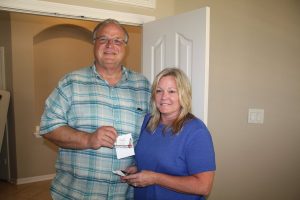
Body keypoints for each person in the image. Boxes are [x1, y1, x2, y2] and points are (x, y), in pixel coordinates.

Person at [39, 19, 151, 200]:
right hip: (77, 194)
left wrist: (143, 163)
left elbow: (153, 133)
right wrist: (88, 139)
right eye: (103, 39)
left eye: (117, 40)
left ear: (125, 47)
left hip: (125, 194)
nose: (110, 45)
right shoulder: (71, 82)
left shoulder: (143, 86)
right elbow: (48, 127)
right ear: (94, 43)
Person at [122, 68, 216, 200]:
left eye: (172, 91)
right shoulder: (148, 121)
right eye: (159, 91)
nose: (164, 97)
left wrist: (155, 178)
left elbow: (203, 186)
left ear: (183, 95)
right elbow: (157, 161)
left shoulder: (196, 132)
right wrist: (138, 169)